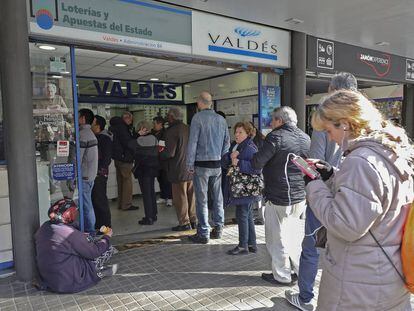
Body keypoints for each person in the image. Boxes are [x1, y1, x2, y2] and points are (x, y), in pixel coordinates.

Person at [302, 90, 413, 310]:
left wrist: (314, 185)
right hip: (387, 273)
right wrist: (332, 175)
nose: (329, 137)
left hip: (358, 283)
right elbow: (372, 201)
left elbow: (346, 225)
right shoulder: (390, 152)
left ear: (345, 124)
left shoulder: (360, 161)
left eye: (329, 130)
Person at [285, 72, 358, 311]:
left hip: (327, 194)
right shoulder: (364, 120)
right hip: (354, 198)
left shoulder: (328, 116)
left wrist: (313, 185)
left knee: (311, 246)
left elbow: (315, 164)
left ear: (333, 91)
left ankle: (305, 297)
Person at [252, 106, 310, 285]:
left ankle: (282, 275)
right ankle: (300, 272)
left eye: (273, 120)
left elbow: (257, 162)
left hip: (278, 196)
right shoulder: (305, 137)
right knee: (293, 237)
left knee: (276, 239)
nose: (271, 124)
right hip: (299, 197)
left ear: (279, 121)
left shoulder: (275, 137)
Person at [35, 199, 117, 293]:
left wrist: (81, 236)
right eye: (74, 212)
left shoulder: (45, 226)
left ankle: (96, 270)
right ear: (69, 214)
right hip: (69, 282)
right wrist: (107, 237)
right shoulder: (69, 233)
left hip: (49, 280)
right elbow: (94, 252)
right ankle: (97, 272)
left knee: (84, 246)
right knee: (108, 249)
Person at [186, 91, 230, 244]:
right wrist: (222, 157)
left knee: (202, 200)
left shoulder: (197, 118)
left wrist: (189, 164)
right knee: (218, 198)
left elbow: (192, 143)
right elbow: (227, 143)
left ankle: (203, 232)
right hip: (217, 165)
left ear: (200, 102)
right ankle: (218, 228)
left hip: (201, 166)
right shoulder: (221, 120)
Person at [222, 122, 261, 255]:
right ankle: (252, 244)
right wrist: (230, 157)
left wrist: (238, 163)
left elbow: (256, 168)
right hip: (241, 187)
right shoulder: (237, 145)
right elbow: (225, 160)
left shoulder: (250, 148)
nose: (237, 135)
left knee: (242, 214)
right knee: (247, 214)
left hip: (245, 187)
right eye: (236, 132)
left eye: (240, 132)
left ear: (248, 133)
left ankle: (243, 245)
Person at [161, 107, 196, 231]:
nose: (166, 117)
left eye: (168, 115)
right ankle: (193, 219)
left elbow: (169, 152)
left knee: (180, 196)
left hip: (178, 169)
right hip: (191, 168)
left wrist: (160, 152)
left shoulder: (172, 130)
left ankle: (184, 222)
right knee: (191, 195)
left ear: (172, 117)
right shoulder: (189, 128)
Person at [129, 120, 160, 225]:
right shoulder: (155, 139)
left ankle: (149, 217)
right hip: (153, 169)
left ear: (142, 129)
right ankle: (154, 214)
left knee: (146, 194)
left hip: (143, 169)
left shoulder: (140, 140)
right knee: (151, 192)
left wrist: (137, 135)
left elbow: (130, 145)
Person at [109, 112, 138, 211]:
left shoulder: (114, 127)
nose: (131, 121)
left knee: (120, 181)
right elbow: (128, 143)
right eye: (130, 119)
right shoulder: (123, 128)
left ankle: (121, 204)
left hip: (117, 158)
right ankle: (127, 204)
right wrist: (137, 136)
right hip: (125, 158)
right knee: (127, 182)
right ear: (126, 118)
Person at [79, 108, 98, 235]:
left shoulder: (83, 134)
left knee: (86, 205)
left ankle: (90, 231)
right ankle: (89, 230)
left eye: (79, 116)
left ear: (84, 118)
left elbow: (78, 157)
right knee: (87, 203)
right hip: (90, 174)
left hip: (85, 175)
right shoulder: (89, 133)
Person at [91, 115, 113, 230]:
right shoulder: (94, 137)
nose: (90, 125)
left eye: (92, 123)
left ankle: (105, 226)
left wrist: (99, 171)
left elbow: (106, 158)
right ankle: (98, 224)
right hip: (94, 173)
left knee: (100, 199)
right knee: (95, 199)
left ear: (98, 125)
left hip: (99, 174)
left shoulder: (104, 139)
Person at [152, 116, 173, 207]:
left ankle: (170, 198)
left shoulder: (166, 133)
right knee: (160, 178)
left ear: (160, 124)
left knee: (166, 179)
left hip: (165, 160)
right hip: (156, 159)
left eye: (155, 123)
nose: (153, 125)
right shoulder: (152, 133)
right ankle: (163, 196)